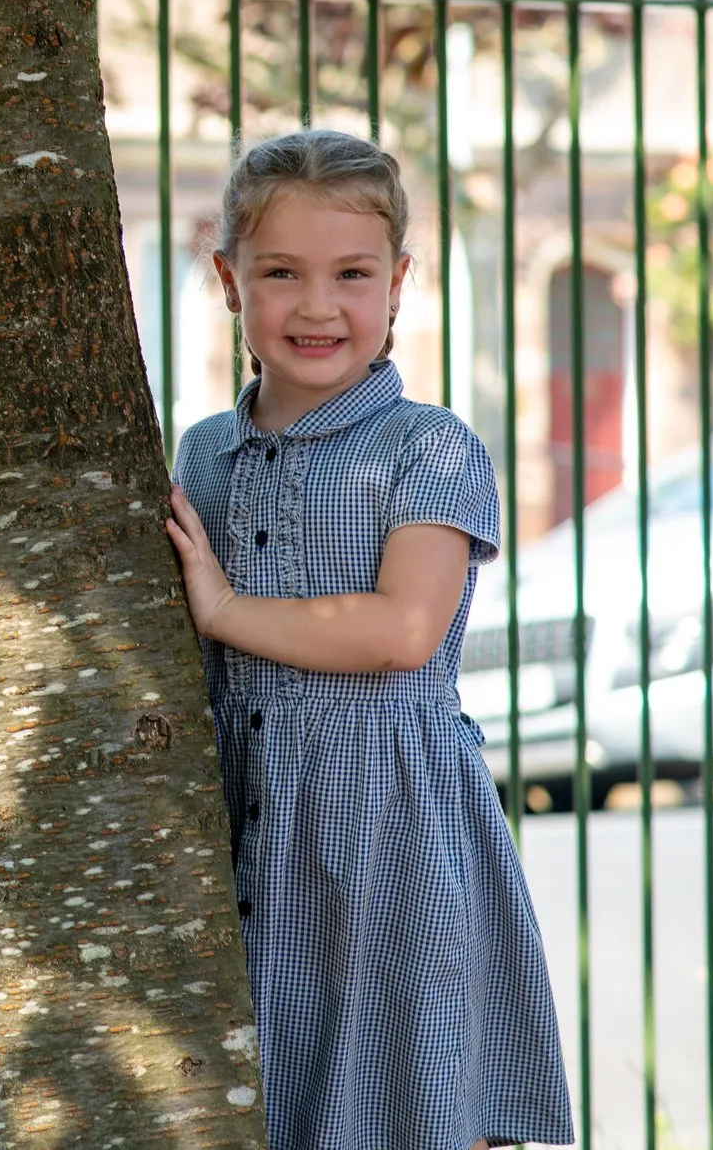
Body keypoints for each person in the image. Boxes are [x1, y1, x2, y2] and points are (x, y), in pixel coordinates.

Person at [160, 128, 573, 1150]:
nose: (317, 306)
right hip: (247, 835)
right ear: (228, 281)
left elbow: (403, 628)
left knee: (409, 1099)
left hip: (390, 836)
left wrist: (225, 609)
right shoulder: (202, 456)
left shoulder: (428, 447)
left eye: (350, 274)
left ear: (397, 284)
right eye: (281, 273)